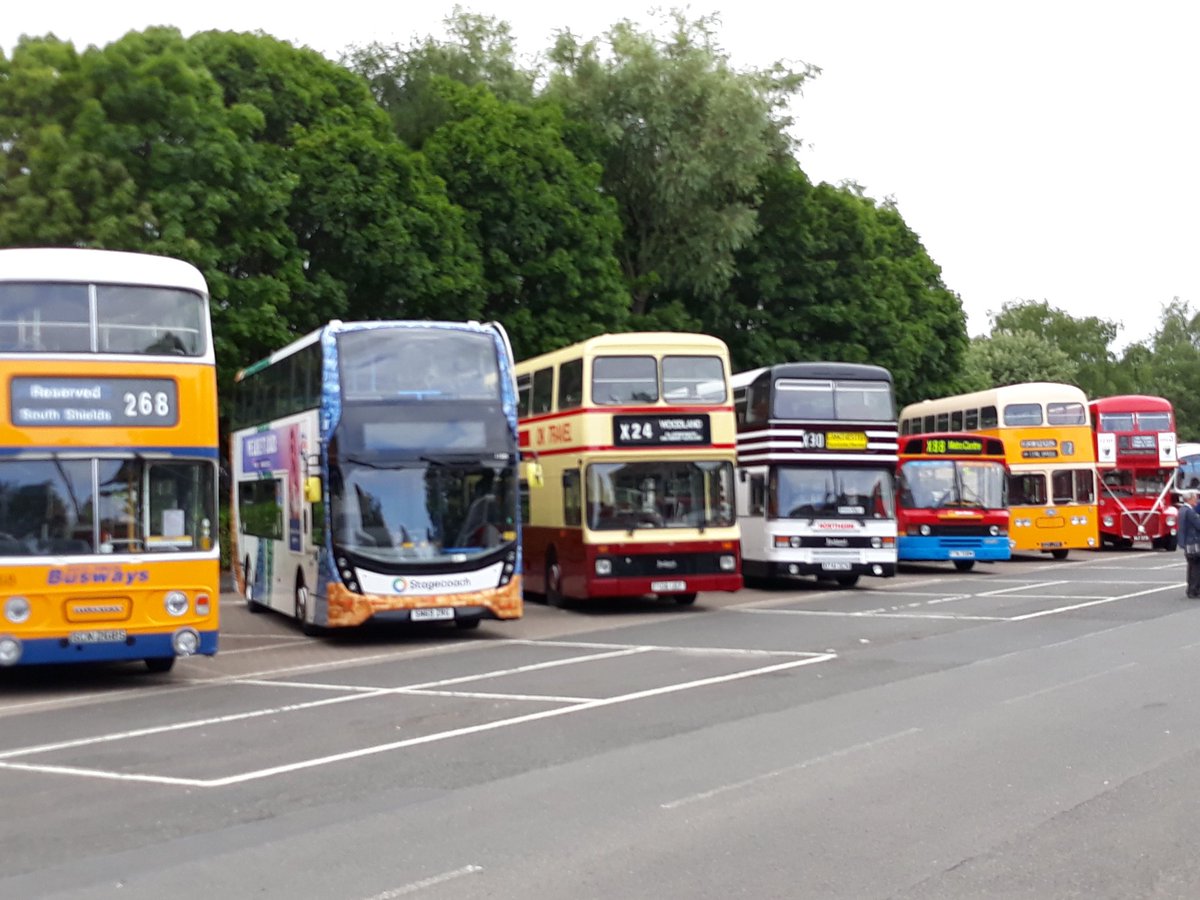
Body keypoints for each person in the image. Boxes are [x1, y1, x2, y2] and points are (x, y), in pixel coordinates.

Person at [1178, 489, 1200, 598]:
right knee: (1196, 567)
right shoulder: (1190, 512)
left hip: (1187, 543)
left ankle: (1190, 589)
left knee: (1191, 566)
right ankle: (1194, 589)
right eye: (1195, 498)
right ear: (1190, 499)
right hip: (1194, 543)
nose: (1196, 500)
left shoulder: (1182, 510)